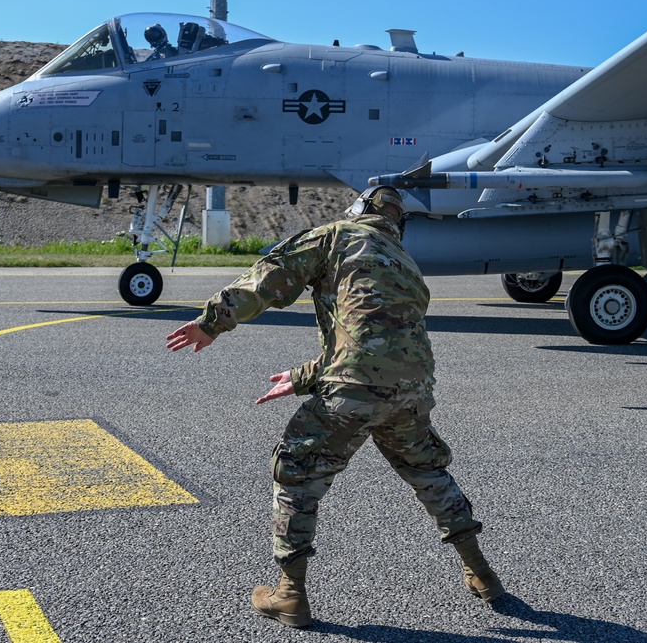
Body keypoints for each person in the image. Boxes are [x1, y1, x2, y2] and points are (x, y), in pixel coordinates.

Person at [166, 186, 503, 628]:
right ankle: (482, 575)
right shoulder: (405, 264)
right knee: (427, 472)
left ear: (359, 210)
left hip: (357, 386)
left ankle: (289, 595)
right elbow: (374, 341)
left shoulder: (338, 235)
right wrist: (303, 378)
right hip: (411, 390)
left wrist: (212, 321)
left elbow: (272, 276)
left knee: (296, 471)